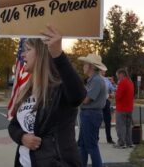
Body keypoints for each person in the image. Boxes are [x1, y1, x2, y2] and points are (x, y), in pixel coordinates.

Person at [8, 26, 86, 167]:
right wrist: (22, 137)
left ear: (42, 53)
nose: (23, 55)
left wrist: (58, 55)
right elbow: (14, 126)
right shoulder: (26, 90)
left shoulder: (60, 87)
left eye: (28, 50)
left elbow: (78, 96)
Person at [77, 53, 107, 167]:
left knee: (90, 145)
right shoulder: (93, 80)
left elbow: (86, 100)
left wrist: (74, 97)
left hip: (91, 115)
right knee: (83, 145)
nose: (83, 66)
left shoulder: (97, 81)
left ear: (90, 66)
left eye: (85, 64)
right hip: (89, 114)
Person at [114, 68, 134, 149]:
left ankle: (121, 143)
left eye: (118, 75)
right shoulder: (130, 82)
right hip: (129, 108)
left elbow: (118, 96)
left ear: (121, 74)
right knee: (128, 126)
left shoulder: (122, 83)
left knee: (120, 126)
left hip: (122, 108)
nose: (117, 77)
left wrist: (113, 95)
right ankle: (129, 142)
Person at [101, 70, 116, 144]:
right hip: (98, 102)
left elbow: (114, 89)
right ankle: (95, 138)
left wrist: (113, 83)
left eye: (104, 71)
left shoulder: (107, 80)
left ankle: (109, 138)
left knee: (108, 120)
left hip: (106, 101)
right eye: (102, 70)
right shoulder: (95, 78)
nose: (104, 72)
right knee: (97, 120)